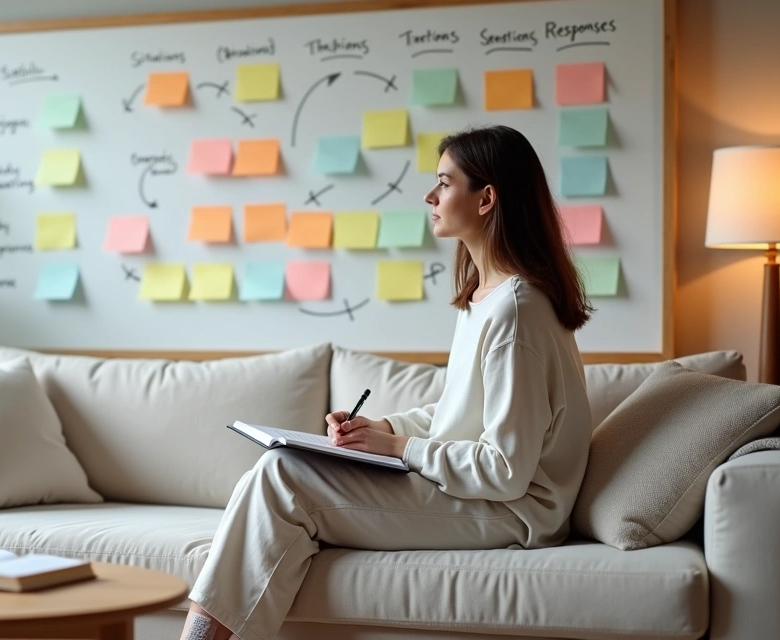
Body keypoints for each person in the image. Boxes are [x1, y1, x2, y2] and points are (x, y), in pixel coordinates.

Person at [178, 125, 594, 640]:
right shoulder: (486, 299)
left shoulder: (517, 311)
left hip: (514, 511)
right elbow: (461, 412)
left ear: (486, 199)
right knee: (271, 473)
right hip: (478, 493)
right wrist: (381, 429)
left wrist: (399, 448)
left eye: (445, 183)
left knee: (281, 476)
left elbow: (506, 471)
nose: (430, 196)